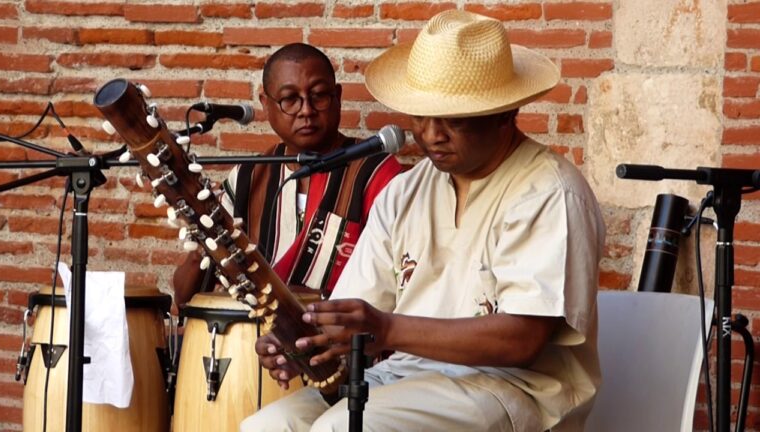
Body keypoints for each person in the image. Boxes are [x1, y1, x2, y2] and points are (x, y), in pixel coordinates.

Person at [242, 10, 606, 432]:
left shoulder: (549, 191)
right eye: (421, 116)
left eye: (453, 118)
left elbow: (521, 340)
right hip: (406, 376)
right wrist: (303, 343)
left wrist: (388, 328)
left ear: (506, 113)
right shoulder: (405, 191)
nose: (431, 135)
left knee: (341, 429)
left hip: (513, 388)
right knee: (270, 425)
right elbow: (354, 312)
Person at [172, 43, 402, 308]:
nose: (306, 110)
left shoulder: (375, 173)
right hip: (249, 343)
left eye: (319, 95)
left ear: (337, 96)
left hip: (343, 342)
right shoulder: (249, 177)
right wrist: (201, 236)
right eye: (290, 99)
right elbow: (184, 299)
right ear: (266, 105)